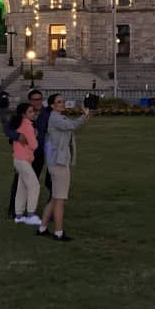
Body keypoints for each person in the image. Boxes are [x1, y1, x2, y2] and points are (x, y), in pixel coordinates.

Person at [36, 93, 90, 242]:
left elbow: (70, 126)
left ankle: (42, 228)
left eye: (63, 101)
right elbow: (72, 125)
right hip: (58, 163)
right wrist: (84, 115)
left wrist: (83, 116)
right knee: (60, 199)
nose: (62, 104)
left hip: (58, 161)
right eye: (59, 102)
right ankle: (58, 233)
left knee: (55, 197)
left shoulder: (59, 117)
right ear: (52, 105)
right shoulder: (55, 117)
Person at [7, 88, 51, 218]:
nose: (37, 102)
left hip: (38, 155)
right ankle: (15, 211)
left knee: (31, 181)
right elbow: (11, 132)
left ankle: (27, 210)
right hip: (23, 155)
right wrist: (17, 137)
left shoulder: (46, 114)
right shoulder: (23, 114)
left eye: (39, 99)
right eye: (34, 99)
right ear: (29, 100)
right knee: (20, 183)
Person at [9, 102, 41, 226]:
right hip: (23, 160)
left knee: (22, 188)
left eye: (33, 111)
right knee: (34, 186)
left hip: (20, 159)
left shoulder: (19, 123)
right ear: (23, 114)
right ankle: (31, 215)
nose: (33, 114)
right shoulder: (27, 125)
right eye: (30, 112)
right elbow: (34, 145)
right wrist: (35, 136)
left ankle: (19, 215)